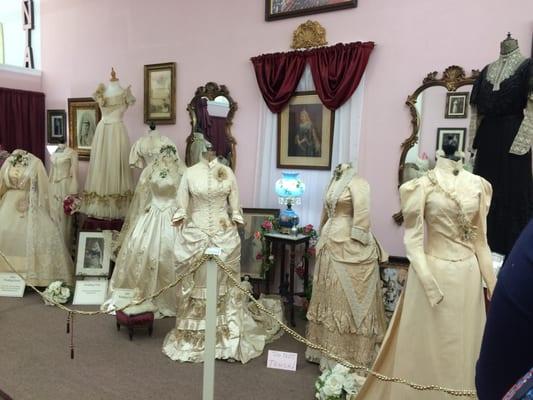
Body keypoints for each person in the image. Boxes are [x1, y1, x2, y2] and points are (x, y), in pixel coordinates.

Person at [356, 152, 496, 399]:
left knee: (464, 348)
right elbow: (413, 241)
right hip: (431, 273)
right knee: (427, 346)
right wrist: (429, 282)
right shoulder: (419, 186)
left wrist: (494, 287)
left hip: (468, 276)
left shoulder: (480, 185)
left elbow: (481, 242)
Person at [162, 150, 270, 363]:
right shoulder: (190, 173)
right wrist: (180, 217)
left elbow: (235, 204)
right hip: (195, 235)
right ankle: (194, 335)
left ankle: (225, 336)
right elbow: (182, 204)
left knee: (225, 283)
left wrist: (236, 218)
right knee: (198, 282)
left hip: (223, 234)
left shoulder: (227, 172)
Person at [305, 162, 387, 370]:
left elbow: (362, 214)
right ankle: (325, 348)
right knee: (330, 297)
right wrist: (320, 232)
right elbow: (326, 213)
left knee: (346, 298)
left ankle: (351, 353)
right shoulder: (333, 181)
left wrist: (359, 239)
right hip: (330, 242)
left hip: (349, 242)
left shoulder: (359, 183)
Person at [469, 34, 532, 255]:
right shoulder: (486, 70)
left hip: (513, 138)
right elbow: (475, 114)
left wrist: (522, 144)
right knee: (483, 192)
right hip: (487, 140)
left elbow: (532, 109)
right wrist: (472, 145)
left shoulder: (527, 67)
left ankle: (511, 255)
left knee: (511, 194)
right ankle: (478, 249)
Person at [476, 220, 533, 400]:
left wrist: (491, 283)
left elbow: (481, 240)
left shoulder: (480, 189)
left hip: (468, 271)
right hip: (508, 384)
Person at [0, 150, 73, 286]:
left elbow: (44, 189)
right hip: (8, 205)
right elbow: (2, 186)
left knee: (36, 235)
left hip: (29, 205)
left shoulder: (36, 163)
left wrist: (49, 210)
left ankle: (34, 275)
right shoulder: (9, 162)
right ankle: (6, 274)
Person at [81, 68, 135, 219]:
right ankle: (100, 206)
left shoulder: (125, 93)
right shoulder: (100, 92)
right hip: (103, 132)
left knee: (117, 165)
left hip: (117, 133)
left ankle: (117, 206)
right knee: (101, 165)